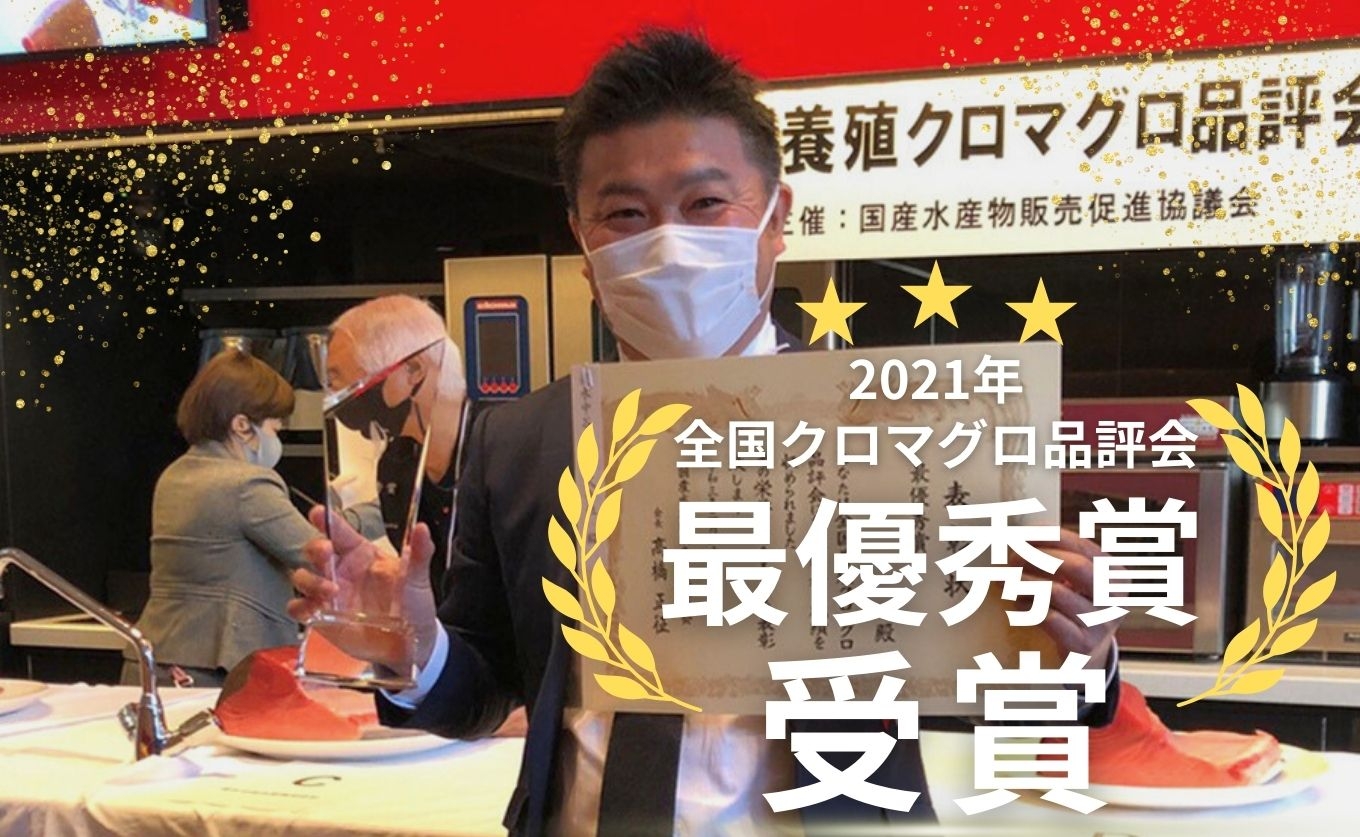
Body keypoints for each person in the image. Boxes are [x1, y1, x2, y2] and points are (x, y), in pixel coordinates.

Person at [290, 29, 1122, 835]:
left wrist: (1079, 648)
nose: (668, 242)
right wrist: (414, 648)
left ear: (776, 217)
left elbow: (1014, 687)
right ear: (582, 241)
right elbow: (485, 689)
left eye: (706, 203)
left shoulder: (904, 426)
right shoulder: (520, 442)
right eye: (625, 212)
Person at [122, 350, 318, 688]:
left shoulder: (174, 475)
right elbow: (318, 555)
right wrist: (369, 512)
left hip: (159, 661)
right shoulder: (247, 484)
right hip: (208, 672)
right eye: (275, 428)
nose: (277, 440)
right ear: (242, 425)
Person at [325, 294, 474, 600]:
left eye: (337, 379)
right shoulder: (395, 463)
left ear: (413, 371)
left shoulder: (501, 451)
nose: (334, 396)